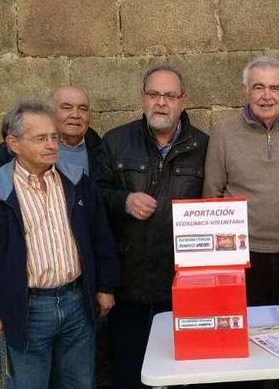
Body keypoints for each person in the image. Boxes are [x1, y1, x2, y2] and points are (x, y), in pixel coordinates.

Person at [0, 100, 119, 389]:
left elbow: (100, 235)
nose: (52, 145)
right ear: (13, 144)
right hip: (27, 308)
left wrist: (106, 287)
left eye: (54, 137)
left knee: (79, 383)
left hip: (77, 302)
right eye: (40, 139)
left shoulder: (77, 182)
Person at [95, 64, 209, 389]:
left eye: (170, 95)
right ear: (142, 98)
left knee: (181, 376)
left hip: (180, 287)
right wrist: (124, 201)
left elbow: (214, 204)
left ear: (183, 101)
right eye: (154, 94)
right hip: (128, 284)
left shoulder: (204, 147)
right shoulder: (116, 142)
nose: (161, 102)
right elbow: (93, 198)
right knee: (129, 374)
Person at [203, 56, 279, 306]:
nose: (267, 96)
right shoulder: (224, 132)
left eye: (275, 88)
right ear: (246, 90)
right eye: (258, 87)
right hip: (242, 256)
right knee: (249, 332)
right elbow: (212, 193)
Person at [0, 85, 101, 243]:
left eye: (82, 109)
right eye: (66, 107)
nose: (75, 115)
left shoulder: (100, 149)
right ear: (50, 114)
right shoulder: (16, 149)